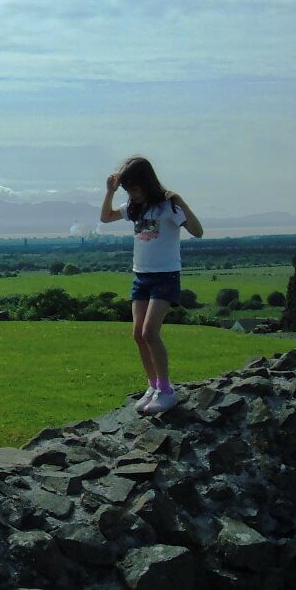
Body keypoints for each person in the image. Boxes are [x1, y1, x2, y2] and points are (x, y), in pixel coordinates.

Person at [100, 156, 204, 414]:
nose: (131, 195)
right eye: (128, 190)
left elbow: (197, 231)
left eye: (134, 189)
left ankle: (167, 390)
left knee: (149, 332)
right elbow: (106, 217)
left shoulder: (167, 206)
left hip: (165, 276)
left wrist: (181, 202)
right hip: (141, 276)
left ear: (146, 183)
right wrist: (110, 193)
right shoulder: (134, 207)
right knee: (138, 334)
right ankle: (154, 385)